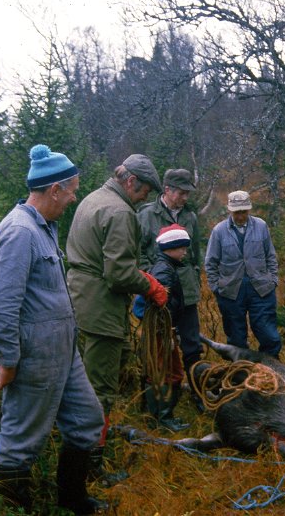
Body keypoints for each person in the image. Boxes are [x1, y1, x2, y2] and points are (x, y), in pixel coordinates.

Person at [0, 144, 107, 513]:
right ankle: (12, 508)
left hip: (63, 353)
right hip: (33, 356)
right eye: (71, 190)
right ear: (54, 189)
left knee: (87, 421)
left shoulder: (44, 227)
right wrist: (8, 361)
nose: (74, 198)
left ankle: (71, 499)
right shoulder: (20, 232)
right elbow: (0, 306)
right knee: (20, 441)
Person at [66, 153, 168, 477]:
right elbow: (119, 274)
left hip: (80, 301)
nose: (145, 199)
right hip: (101, 310)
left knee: (89, 381)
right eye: (144, 191)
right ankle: (90, 466)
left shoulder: (94, 198)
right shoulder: (121, 211)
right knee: (100, 390)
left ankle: (84, 453)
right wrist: (150, 284)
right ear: (130, 182)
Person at [137, 169, 203, 401]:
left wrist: (195, 276)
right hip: (160, 293)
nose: (185, 198)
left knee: (192, 345)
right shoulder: (146, 215)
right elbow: (138, 251)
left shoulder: (190, 217)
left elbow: (195, 253)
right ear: (167, 190)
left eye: (187, 193)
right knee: (159, 346)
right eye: (182, 193)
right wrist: (151, 276)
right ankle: (158, 397)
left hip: (187, 292)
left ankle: (198, 394)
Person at [204, 190, 282, 357]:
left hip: (261, 289)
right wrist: (216, 288)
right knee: (236, 340)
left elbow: (270, 255)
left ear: (249, 210)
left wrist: (273, 279)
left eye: (244, 212)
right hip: (231, 292)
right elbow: (210, 262)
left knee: (269, 335)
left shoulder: (261, 226)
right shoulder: (219, 231)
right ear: (230, 210)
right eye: (237, 212)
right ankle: (240, 375)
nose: (240, 216)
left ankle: (272, 374)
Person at [133, 224, 193, 432]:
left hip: (160, 330)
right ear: (171, 247)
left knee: (161, 370)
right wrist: (167, 332)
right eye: (182, 247)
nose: (185, 251)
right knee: (166, 371)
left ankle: (157, 416)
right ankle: (163, 419)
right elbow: (160, 306)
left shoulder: (164, 266)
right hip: (160, 331)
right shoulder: (164, 270)